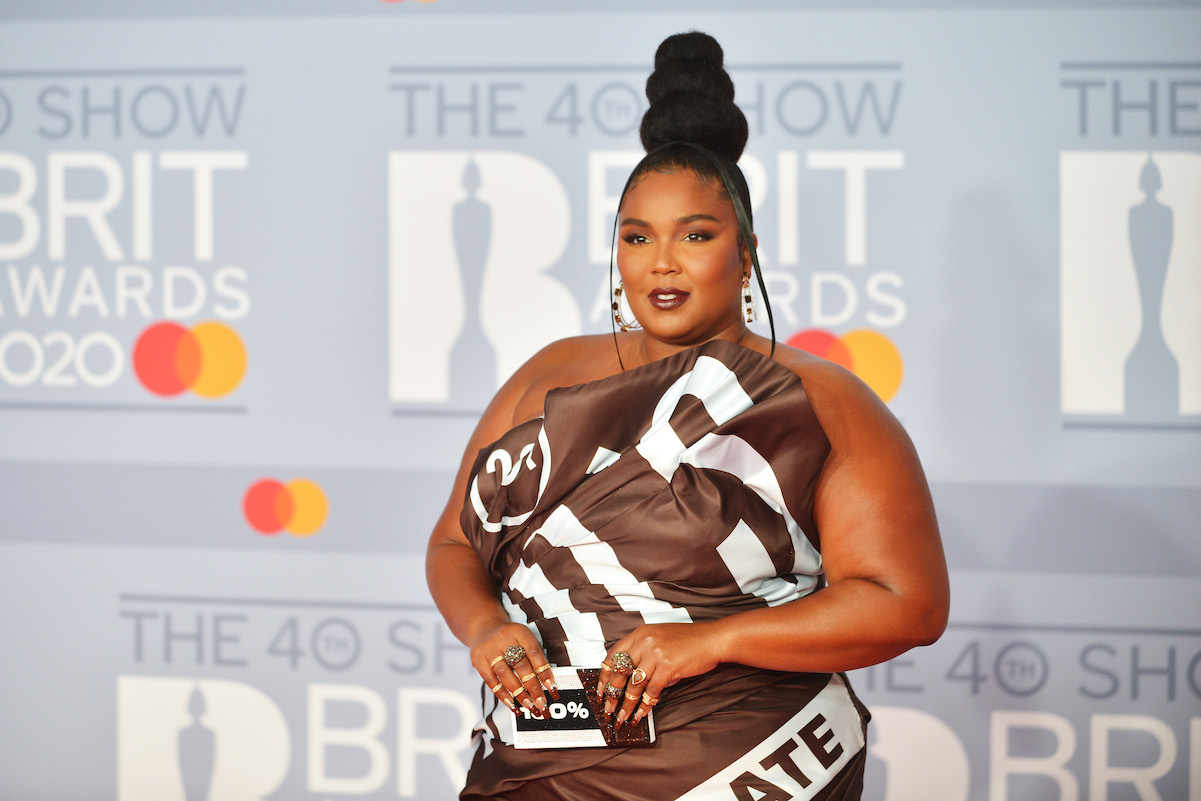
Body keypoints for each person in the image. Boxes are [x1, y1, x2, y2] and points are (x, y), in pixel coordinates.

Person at [425, 31, 949, 801]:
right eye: (637, 237)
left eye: (695, 235)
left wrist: (711, 640)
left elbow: (907, 603)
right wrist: (484, 627)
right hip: (531, 764)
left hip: (743, 763)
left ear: (746, 252)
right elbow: (453, 543)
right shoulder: (545, 374)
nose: (661, 262)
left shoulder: (822, 400)